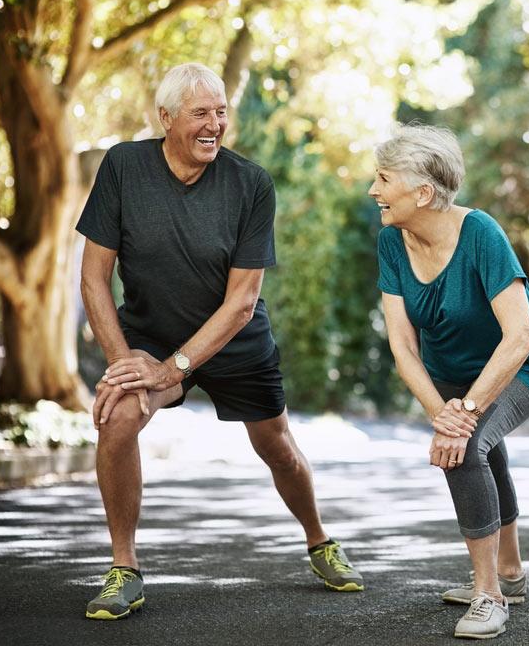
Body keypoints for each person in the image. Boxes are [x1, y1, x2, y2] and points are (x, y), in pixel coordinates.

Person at [77, 62, 363, 620]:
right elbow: (93, 278)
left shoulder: (250, 184)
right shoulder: (123, 166)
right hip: (150, 336)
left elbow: (242, 302)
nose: (214, 125)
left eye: (221, 112)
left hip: (234, 340)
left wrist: (175, 367)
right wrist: (122, 365)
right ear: (165, 119)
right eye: (200, 113)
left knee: (277, 446)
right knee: (117, 418)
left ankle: (318, 539)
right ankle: (124, 569)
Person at [369, 124, 529, 640]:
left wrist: (463, 416)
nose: (374, 190)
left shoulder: (480, 235)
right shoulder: (392, 241)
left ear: (423, 192)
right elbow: (403, 347)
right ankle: (511, 574)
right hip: (452, 380)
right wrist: (440, 411)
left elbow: (519, 337)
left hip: (520, 366)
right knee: (478, 446)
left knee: (466, 446)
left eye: (383, 179)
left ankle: (489, 594)